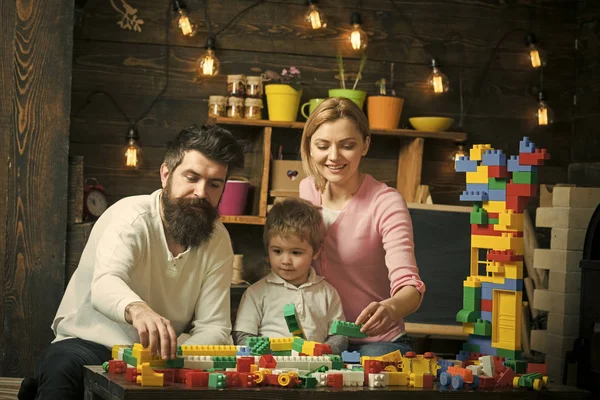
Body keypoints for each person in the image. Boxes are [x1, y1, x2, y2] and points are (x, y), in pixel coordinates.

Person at [18, 124, 245, 400]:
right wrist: (138, 309)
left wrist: (176, 359)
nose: (201, 192)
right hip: (91, 342)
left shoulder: (218, 239)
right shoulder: (130, 216)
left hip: (161, 357)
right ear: (166, 174)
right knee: (62, 368)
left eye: (214, 184)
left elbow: (214, 327)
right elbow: (105, 283)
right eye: (191, 177)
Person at [298, 97, 426, 357]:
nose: (334, 157)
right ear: (310, 147)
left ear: (365, 145)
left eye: (347, 146)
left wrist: (390, 308)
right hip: (322, 338)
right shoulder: (307, 190)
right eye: (323, 145)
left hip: (376, 343)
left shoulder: (386, 202)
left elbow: (410, 288)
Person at [232, 197, 348, 354]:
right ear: (268, 249)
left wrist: (327, 351)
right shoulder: (256, 293)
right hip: (268, 369)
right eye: (277, 251)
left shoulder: (327, 293)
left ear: (316, 252)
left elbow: (339, 334)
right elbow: (243, 335)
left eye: (296, 252)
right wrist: (262, 353)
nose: (286, 261)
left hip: (315, 369)